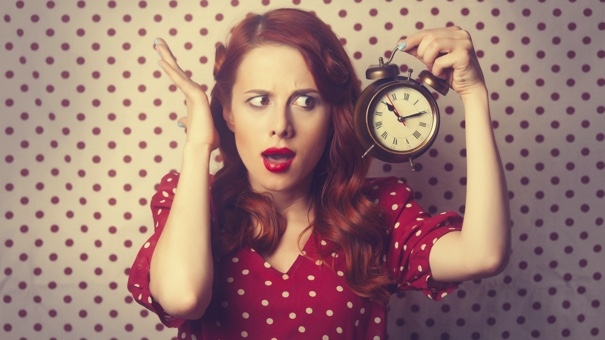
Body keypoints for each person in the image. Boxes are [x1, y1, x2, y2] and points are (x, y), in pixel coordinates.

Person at [127, 8, 510, 340]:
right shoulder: (192, 200)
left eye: (305, 101)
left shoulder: (376, 213)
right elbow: (182, 297)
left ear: (332, 116)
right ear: (227, 113)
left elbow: (483, 254)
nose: (281, 125)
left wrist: (473, 93)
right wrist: (197, 147)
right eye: (259, 101)